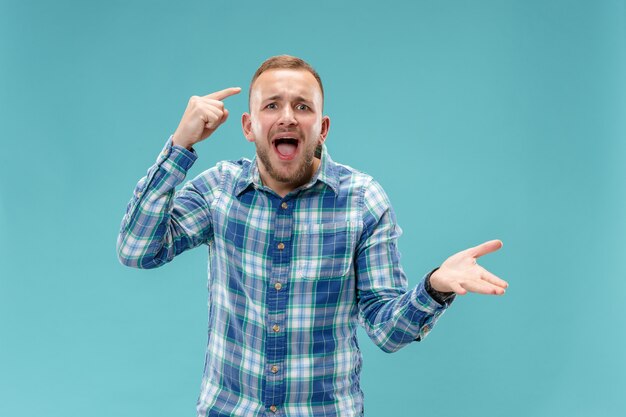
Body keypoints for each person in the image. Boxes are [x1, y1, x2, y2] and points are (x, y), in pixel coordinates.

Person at [117, 55, 508, 417]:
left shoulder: (361, 200)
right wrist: (180, 145)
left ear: (321, 128)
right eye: (271, 105)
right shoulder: (219, 190)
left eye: (302, 106)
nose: (287, 117)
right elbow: (137, 249)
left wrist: (435, 287)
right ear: (249, 126)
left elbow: (387, 331)